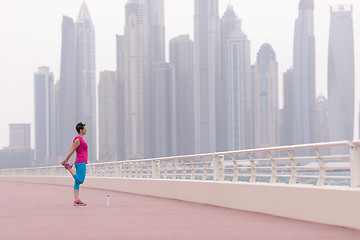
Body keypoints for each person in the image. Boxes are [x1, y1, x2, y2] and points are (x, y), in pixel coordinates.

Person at [61, 122, 88, 206]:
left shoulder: (79, 139)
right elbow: (71, 151)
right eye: (84, 129)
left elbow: (70, 149)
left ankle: (76, 200)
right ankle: (69, 167)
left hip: (81, 161)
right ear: (81, 130)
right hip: (80, 162)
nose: (86, 130)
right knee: (80, 180)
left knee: (77, 182)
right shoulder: (78, 140)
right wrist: (65, 161)